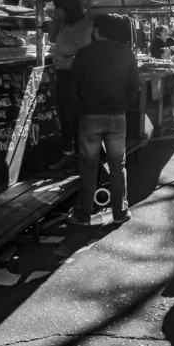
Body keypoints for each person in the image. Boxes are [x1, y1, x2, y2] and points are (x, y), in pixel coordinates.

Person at [68, 14, 140, 226]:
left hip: (90, 115)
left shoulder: (83, 54)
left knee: (88, 165)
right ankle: (120, 211)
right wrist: (124, 105)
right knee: (118, 164)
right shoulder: (126, 53)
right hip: (117, 115)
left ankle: (83, 214)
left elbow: (72, 90)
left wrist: (78, 111)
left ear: (97, 31)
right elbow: (134, 86)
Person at [48, 0, 92, 171]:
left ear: (67, 7)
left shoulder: (84, 26)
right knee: (64, 117)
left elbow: (86, 53)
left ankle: (81, 156)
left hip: (74, 77)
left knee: (74, 117)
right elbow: (51, 38)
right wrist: (56, 19)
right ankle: (68, 154)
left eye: (58, 6)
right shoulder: (63, 24)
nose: (56, 9)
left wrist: (68, 57)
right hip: (61, 74)